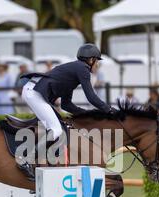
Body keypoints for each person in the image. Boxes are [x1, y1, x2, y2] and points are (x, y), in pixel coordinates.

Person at [19, 43, 114, 176]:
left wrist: (88, 114)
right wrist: (109, 110)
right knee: (56, 130)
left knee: (58, 128)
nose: (97, 65)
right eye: (97, 61)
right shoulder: (83, 69)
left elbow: (66, 105)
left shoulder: (74, 71)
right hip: (34, 93)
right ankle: (26, 161)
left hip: (34, 91)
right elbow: (91, 97)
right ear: (91, 60)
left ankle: (41, 165)